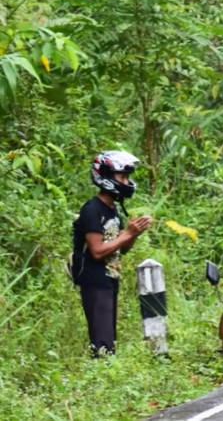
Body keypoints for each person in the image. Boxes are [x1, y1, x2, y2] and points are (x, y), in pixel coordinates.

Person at [70, 150, 152, 357]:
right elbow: (97, 251)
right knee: (103, 343)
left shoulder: (112, 210)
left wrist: (133, 234)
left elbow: (122, 248)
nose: (126, 182)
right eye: (122, 177)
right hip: (95, 280)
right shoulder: (92, 210)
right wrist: (128, 234)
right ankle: (101, 371)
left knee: (108, 339)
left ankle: (105, 368)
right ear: (106, 176)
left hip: (110, 278)